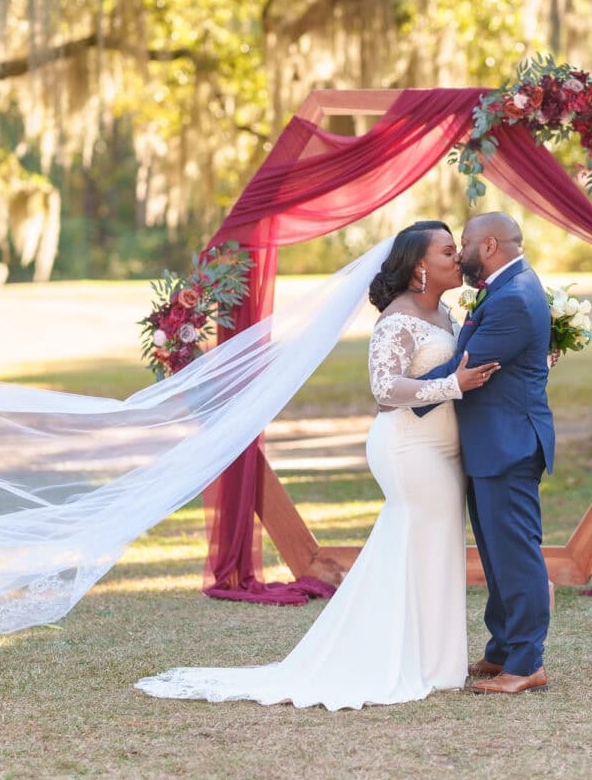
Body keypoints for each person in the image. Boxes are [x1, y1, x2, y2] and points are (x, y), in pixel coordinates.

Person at [135, 221, 499, 710]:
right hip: (409, 448)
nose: (459, 259)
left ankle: (436, 661)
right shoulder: (397, 320)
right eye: (448, 251)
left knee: (431, 546)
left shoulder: (447, 314)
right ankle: (408, 661)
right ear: (419, 267)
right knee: (420, 539)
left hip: (445, 448)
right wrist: (453, 385)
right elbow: (386, 389)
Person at [413, 211, 555, 696]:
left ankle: (526, 662)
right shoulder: (507, 288)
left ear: (489, 246)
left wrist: (400, 393)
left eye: (466, 244)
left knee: (515, 554)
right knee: (496, 553)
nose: (461, 252)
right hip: (494, 441)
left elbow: (464, 366)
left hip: (508, 443)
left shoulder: (513, 299)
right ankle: (502, 650)